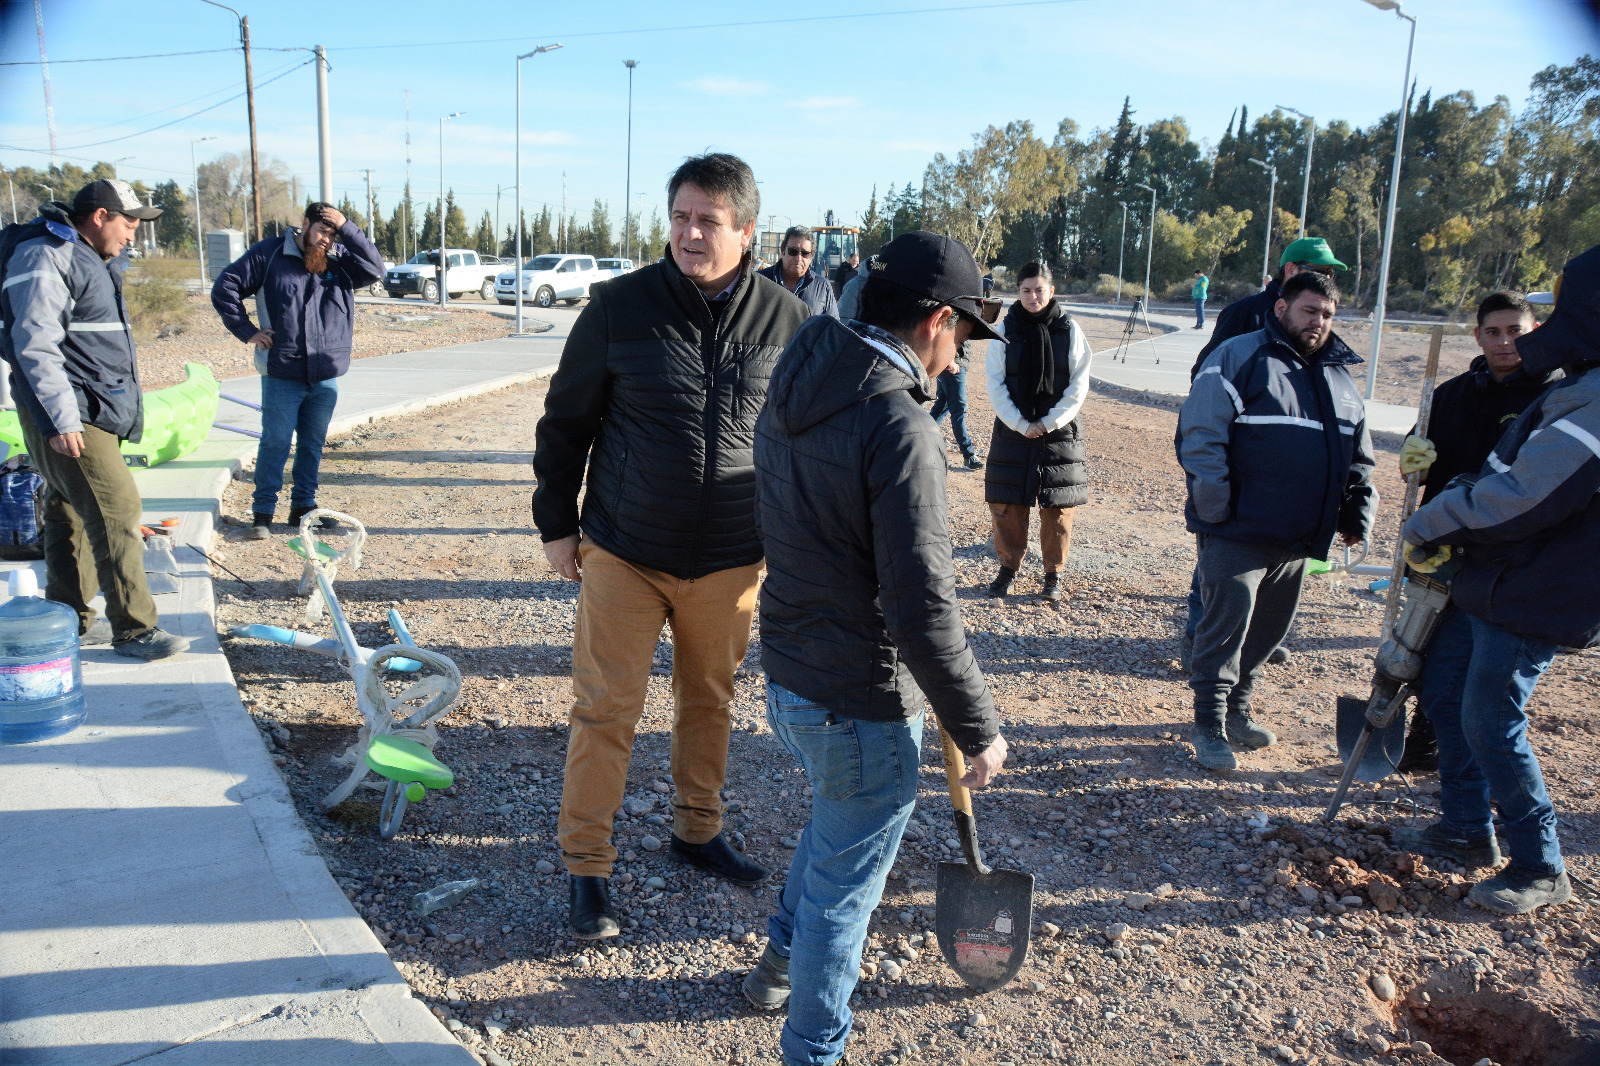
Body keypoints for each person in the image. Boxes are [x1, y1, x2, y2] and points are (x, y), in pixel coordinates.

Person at [745, 231, 1008, 1066]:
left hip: (789, 678)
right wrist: (979, 725)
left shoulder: (802, 366)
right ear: (936, 321)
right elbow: (923, 607)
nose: (960, 355)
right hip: (858, 700)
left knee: (835, 833)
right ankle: (812, 1053)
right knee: (844, 898)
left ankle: (775, 969)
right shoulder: (898, 425)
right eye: (963, 335)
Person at [532, 153, 808, 939]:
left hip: (730, 558)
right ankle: (587, 868)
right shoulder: (619, 308)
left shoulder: (787, 323)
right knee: (605, 708)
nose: (690, 232)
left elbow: (803, 442)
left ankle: (697, 831)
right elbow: (565, 421)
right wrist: (558, 523)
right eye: (681, 216)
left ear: (746, 231)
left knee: (709, 703)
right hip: (625, 548)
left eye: (709, 220)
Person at [1390, 248, 1600, 915]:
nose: (1516, 340)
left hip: (1532, 589)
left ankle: (1539, 865)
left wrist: (1430, 521)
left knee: (1492, 718)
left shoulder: (1590, 404)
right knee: (1450, 697)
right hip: (1494, 577)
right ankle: (1465, 826)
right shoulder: (1576, 385)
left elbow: (1523, 497)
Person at [1176, 271, 1375, 771]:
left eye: (1328, 315)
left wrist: (1355, 513)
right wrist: (1216, 509)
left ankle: (1239, 711)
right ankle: (1209, 724)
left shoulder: (1340, 377)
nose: (1318, 322)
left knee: (1267, 630)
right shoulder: (1239, 358)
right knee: (1223, 631)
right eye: (1310, 311)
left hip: (1298, 537)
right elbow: (1201, 437)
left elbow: (1359, 455)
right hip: (1237, 530)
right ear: (1282, 307)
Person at [0, 180, 190, 660]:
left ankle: (71, 619)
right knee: (117, 509)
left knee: (68, 511)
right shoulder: (47, 255)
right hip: (72, 414)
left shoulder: (88, 257)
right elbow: (34, 345)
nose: (134, 236)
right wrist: (61, 420)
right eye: (129, 224)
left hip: (91, 410)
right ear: (100, 216)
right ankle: (135, 629)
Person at [1393, 290, 1558, 773]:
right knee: (1423, 644)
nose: (1505, 342)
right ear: (1478, 336)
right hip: (1440, 548)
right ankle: (1424, 736)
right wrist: (1412, 464)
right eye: (1494, 332)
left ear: (1536, 333)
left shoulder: (1551, 398)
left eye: (1516, 332)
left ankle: (1473, 757)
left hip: (1505, 556)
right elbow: (1416, 472)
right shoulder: (1450, 394)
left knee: (1480, 664)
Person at [1179, 235, 1350, 670]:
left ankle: (1253, 643)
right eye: (1321, 270)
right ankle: (1201, 638)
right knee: (1221, 569)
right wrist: (1215, 492)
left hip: (1280, 499)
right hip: (1236, 482)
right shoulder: (1244, 314)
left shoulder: (1313, 318)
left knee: (1270, 578)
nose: (1327, 280)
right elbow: (1208, 381)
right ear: (1291, 269)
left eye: (1331, 275)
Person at [213, 202, 385, 539]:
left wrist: (347, 228)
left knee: (312, 444)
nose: (325, 239)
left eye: (333, 234)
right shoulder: (270, 254)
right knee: (275, 442)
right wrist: (248, 331)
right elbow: (225, 288)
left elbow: (376, 269)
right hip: (282, 371)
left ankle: (302, 507)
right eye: (322, 230)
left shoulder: (340, 261)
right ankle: (262, 513)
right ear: (304, 225)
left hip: (325, 374)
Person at [983, 261, 1091, 605]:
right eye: (1026, 290)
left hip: (1058, 432)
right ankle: (1008, 569)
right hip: (1013, 430)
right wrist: (1020, 424)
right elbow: (995, 383)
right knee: (1007, 502)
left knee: (1058, 507)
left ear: (1051, 291)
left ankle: (1053, 575)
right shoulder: (1004, 330)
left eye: (1039, 290)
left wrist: (1049, 422)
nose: (1032, 296)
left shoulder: (1071, 330)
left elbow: (1079, 384)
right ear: (1018, 292)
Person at [756, 225, 838, 319]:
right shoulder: (760, 282)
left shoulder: (823, 288)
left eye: (805, 253)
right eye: (793, 251)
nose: (798, 258)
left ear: (811, 257)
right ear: (782, 251)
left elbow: (832, 329)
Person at [929, 340, 983, 470]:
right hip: (953, 366)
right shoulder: (955, 318)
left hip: (952, 364)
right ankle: (968, 455)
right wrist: (950, 361)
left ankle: (919, 440)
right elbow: (948, 335)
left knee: (942, 406)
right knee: (958, 410)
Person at [837, 255, 873, 321]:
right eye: (853, 260)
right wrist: (838, 298)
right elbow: (837, 284)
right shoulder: (842, 270)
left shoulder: (858, 272)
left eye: (856, 261)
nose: (854, 262)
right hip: (844, 296)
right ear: (849, 259)